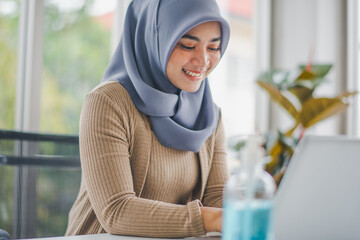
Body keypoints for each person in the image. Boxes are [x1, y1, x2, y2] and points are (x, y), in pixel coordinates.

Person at [66, 0, 230, 238]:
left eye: (213, 48)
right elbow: (117, 211)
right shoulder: (107, 102)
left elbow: (219, 202)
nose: (203, 61)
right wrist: (209, 218)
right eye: (187, 45)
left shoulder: (209, 115)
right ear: (154, 40)